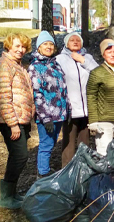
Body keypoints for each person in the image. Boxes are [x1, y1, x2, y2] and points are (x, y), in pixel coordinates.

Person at [0, 33, 34, 209]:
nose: (20, 50)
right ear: (8, 46)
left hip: (19, 118)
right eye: (17, 46)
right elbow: (3, 97)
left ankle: (12, 194)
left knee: (18, 156)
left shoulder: (18, 65)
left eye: (23, 47)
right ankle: (6, 197)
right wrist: (13, 124)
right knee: (20, 156)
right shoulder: (2, 65)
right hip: (9, 120)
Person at [28, 31, 69, 178]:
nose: (49, 46)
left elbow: (63, 89)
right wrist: (46, 118)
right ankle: (43, 175)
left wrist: (67, 110)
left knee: (51, 144)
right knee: (46, 145)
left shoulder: (55, 64)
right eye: (45, 44)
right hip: (47, 116)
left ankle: (45, 169)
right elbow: (37, 94)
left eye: (51, 44)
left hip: (59, 114)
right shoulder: (35, 67)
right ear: (39, 47)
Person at [56, 32, 98, 167]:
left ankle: (83, 169)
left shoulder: (88, 57)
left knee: (84, 142)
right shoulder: (60, 59)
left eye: (78, 40)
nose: (75, 42)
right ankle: (67, 171)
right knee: (68, 142)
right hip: (70, 108)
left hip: (86, 108)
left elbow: (98, 73)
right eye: (72, 40)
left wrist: (83, 61)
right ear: (66, 43)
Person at [87, 39, 114, 156]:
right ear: (103, 54)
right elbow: (91, 96)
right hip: (104, 118)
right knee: (104, 150)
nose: (113, 54)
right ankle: (105, 174)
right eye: (109, 52)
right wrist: (93, 121)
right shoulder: (96, 72)